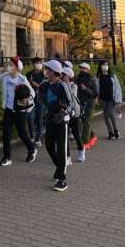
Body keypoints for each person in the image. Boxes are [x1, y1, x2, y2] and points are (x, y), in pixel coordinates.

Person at [0, 56, 37, 167]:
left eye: (11, 65)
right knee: (6, 134)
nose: (9, 66)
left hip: (20, 111)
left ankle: (32, 148)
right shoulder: (5, 77)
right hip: (8, 109)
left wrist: (26, 100)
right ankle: (7, 157)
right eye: (9, 64)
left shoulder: (22, 79)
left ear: (17, 67)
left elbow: (32, 93)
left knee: (22, 133)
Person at [39, 59, 74, 192]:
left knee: (61, 150)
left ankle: (62, 179)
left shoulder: (62, 85)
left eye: (48, 69)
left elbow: (70, 104)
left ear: (54, 72)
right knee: (48, 146)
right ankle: (59, 168)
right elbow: (41, 98)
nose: (45, 71)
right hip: (50, 120)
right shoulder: (45, 84)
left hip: (62, 121)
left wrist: (62, 114)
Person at [61, 66, 85, 163]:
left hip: (74, 114)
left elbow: (71, 95)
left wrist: (66, 84)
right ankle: (67, 157)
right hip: (65, 114)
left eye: (63, 75)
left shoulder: (74, 86)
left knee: (77, 135)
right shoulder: (61, 85)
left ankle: (81, 150)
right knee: (65, 137)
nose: (61, 76)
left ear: (68, 76)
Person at [96, 60, 123, 140]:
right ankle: (111, 132)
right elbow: (97, 88)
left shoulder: (112, 76)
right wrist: (97, 98)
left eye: (106, 65)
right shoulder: (98, 77)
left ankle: (116, 131)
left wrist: (118, 101)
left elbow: (117, 88)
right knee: (106, 116)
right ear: (100, 66)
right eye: (103, 65)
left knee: (110, 114)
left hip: (112, 99)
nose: (105, 66)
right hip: (103, 99)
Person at [76, 62, 98, 149]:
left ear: (88, 70)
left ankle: (85, 142)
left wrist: (86, 89)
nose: (82, 70)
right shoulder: (77, 78)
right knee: (83, 121)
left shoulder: (92, 79)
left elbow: (95, 94)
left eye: (84, 68)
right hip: (81, 103)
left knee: (87, 122)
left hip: (90, 103)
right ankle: (93, 136)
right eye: (81, 68)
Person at [26, 57, 45, 146]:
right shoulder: (29, 74)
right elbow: (26, 85)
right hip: (31, 99)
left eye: (40, 62)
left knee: (39, 118)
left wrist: (37, 85)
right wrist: (31, 84)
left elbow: (46, 85)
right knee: (30, 117)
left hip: (40, 99)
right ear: (33, 64)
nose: (39, 64)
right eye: (37, 63)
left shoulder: (44, 74)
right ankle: (31, 135)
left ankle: (38, 138)